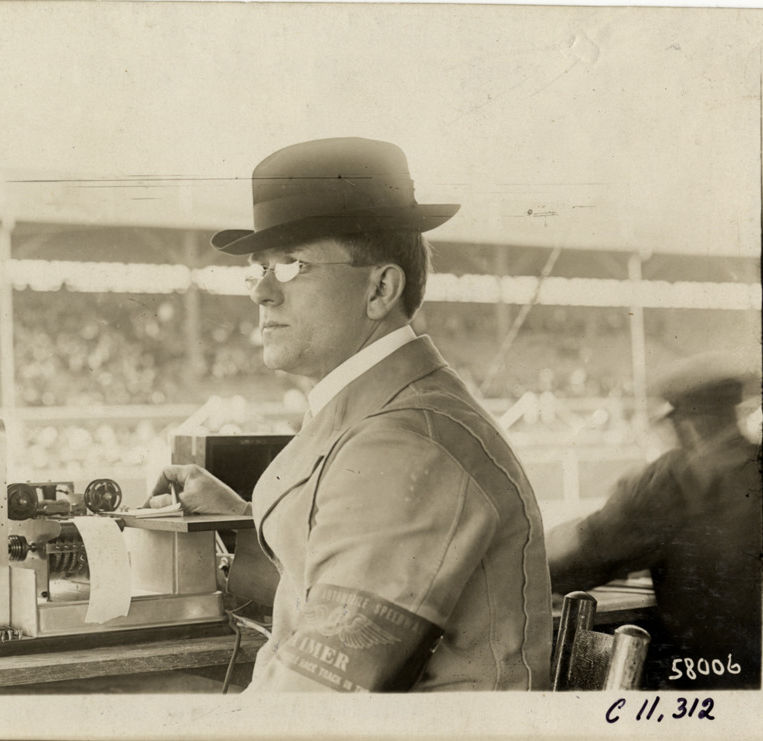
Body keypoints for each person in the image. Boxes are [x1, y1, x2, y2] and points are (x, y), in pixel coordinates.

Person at [146, 137, 552, 692]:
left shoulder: (404, 443)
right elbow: (335, 582)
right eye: (259, 268)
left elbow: (315, 695)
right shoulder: (386, 409)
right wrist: (240, 521)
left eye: (292, 265)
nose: (261, 292)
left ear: (380, 288)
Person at [546, 352, 763, 690]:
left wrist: (522, 562)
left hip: (704, 689)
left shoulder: (676, 481)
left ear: (689, 424)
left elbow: (588, 552)